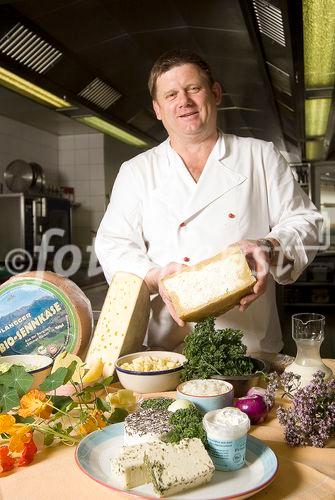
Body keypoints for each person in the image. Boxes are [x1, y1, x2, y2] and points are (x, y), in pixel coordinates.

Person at [95, 49, 322, 354]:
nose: (184, 102)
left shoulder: (260, 156)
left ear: (215, 93)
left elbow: (307, 223)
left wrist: (268, 247)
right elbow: (113, 244)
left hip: (250, 346)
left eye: (193, 88)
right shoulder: (137, 171)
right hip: (170, 347)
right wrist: (155, 277)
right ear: (158, 109)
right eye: (171, 94)